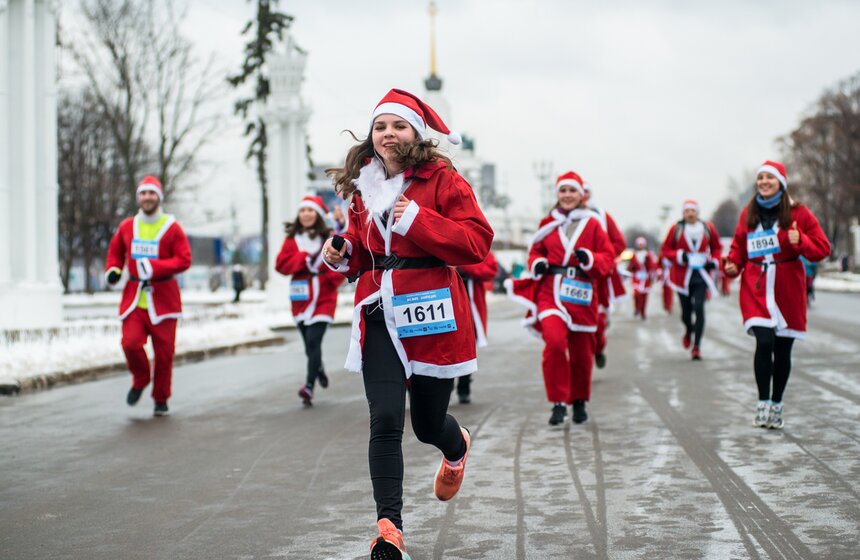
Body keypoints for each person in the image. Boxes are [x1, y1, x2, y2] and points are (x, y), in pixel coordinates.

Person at [322, 88, 493, 559]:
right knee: (384, 419)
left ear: (415, 132)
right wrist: (343, 252)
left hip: (431, 309)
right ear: (371, 136)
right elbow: (362, 247)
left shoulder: (442, 179)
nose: (389, 134)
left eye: (398, 126)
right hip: (378, 309)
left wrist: (419, 219)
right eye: (380, 126)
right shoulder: (364, 185)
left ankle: (454, 445)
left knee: (426, 423)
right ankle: (389, 530)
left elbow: (477, 243)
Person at [724, 161, 830, 429]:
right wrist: (733, 263)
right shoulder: (749, 213)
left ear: (781, 183)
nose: (763, 182)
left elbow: (822, 248)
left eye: (769, 177)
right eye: (760, 177)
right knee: (764, 341)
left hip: (786, 287)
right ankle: (762, 402)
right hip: (756, 285)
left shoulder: (799, 214)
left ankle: (776, 403)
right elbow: (739, 246)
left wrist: (801, 241)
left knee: (783, 349)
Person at [506, 171, 615, 426]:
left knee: (581, 352)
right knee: (554, 344)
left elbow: (608, 259)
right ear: (557, 194)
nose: (567, 195)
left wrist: (591, 258)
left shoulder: (593, 224)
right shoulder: (547, 223)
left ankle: (579, 401)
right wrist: (539, 263)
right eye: (563, 191)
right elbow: (535, 252)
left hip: (582, 293)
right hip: (551, 292)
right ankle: (557, 402)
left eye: (572, 191)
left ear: (581, 194)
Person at [104, 176, 192, 417]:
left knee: (164, 354)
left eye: (152, 193)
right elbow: (115, 253)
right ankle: (141, 378)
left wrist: (155, 267)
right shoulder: (127, 227)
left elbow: (184, 259)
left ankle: (161, 398)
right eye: (143, 194)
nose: (147, 198)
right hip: (135, 298)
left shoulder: (172, 227)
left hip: (164, 298)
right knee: (130, 343)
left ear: (159, 197)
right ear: (138, 197)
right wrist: (114, 270)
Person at [275, 195, 346, 406]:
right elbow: (280, 265)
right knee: (309, 345)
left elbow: (342, 264)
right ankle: (319, 367)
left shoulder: (330, 236)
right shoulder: (292, 239)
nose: (306, 214)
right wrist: (302, 258)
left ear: (318, 214)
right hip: (301, 298)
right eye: (303, 210)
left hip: (324, 296)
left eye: (310, 210)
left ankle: (308, 386)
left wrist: (330, 279)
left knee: (314, 340)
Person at [660, 200, 722, 360]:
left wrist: (713, 261)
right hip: (682, 277)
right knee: (686, 313)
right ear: (683, 213)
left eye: (692, 210)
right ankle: (689, 329)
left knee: (699, 307)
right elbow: (666, 250)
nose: (690, 213)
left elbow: (717, 247)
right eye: (687, 211)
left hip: (701, 276)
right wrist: (681, 256)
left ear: (698, 212)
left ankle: (697, 347)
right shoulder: (676, 229)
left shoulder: (708, 228)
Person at [582, 182, 627, 368]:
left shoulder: (600, 215)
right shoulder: (559, 217)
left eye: (584, 192)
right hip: (569, 278)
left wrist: (603, 258)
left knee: (597, 322)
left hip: (597, 278)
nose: (581, 195)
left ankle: (598, 348)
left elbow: (619, 243)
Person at [454, 250, 500, 404]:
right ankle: (444, 387)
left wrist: (463, 265)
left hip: (470, 306)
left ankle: (464, 386)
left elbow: (490, 271)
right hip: (446, 301)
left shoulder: (477, 246)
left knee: (467, 346)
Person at [627, 236, 658, 320]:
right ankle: (637, 308)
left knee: (644, 296)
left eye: (642, 244)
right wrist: (631, 268)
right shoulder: (634, 255)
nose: (640, 245)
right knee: (637, 295)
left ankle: (643, 312)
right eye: (639, 244)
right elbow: (630, 266)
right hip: (637, 278)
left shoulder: (648, 255)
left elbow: (652, 266)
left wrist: (652, 273)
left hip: (645, 278)